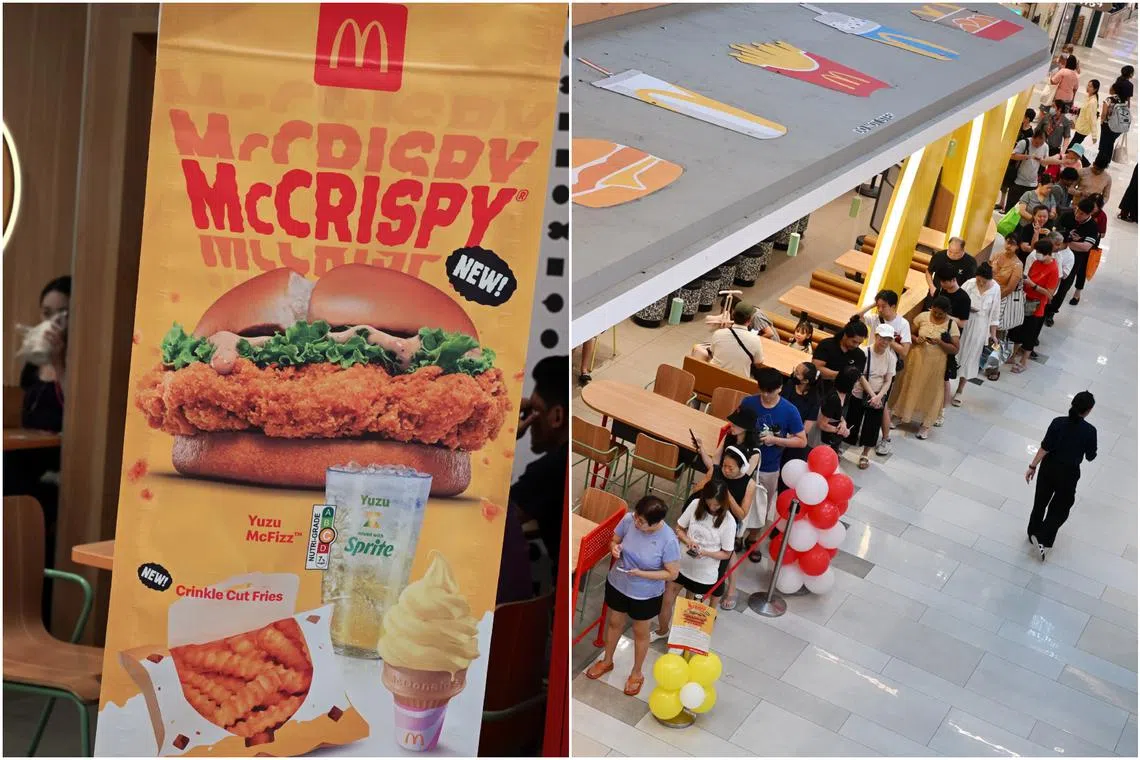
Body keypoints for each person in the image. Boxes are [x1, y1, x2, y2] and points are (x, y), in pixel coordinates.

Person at [587, 496, 680, 696]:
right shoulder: (629, 520)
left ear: (656, 523)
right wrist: (614, 548)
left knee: (640, 631)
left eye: (642, 522)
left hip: (646, 593)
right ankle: (607, 660)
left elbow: (672, 573)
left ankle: (636, 673)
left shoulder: (668, 540)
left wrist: (642, 574)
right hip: (619, 583)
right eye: (637, 517)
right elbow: (614, 539)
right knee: (614, 622)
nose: (636, 523)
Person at [654, 480, 736, 641]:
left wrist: (706, 552)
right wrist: (688, 541)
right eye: (709, 503)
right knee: (667, 599)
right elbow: (679, 528)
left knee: (693, 611)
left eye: (716, 505)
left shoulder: (729, 522)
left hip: (704, 574)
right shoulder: (695, 505)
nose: (712, 508)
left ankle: (684, 641)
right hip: (681, 563)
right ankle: (662, 630)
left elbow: (727, 553)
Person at [693, 414, 759, 610]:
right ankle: (702, 581)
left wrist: (725, 488)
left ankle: (731, 588)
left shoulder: (752, 457)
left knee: (727, 552)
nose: (732, 426)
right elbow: (714, 465)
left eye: (737, 424)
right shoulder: (727, 444)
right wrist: (702, 449)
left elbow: (740, 481)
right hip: (713, 505)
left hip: (731, 509)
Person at [740, 367, 806, 560]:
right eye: (763, 390)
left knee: (762, 506)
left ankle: (753, 538)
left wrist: (776, 440)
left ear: (780, 388)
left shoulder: (789, 410)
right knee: (739, 500)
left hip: (769, 467)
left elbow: (801, 440)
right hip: (745, 463)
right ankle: (736, 534)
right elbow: (737, 427)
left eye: (770, 391)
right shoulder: (749, 403)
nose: (766, 395)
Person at [510, 355, 568, 574]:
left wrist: (501, 436)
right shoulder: (563, 461)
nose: (528, 421)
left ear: (557, 416)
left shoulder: (549, 469)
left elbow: (492, 521)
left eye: (533, 411)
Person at [1025, 391, 1097, 561]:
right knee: (1061, 508)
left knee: (1040, 502)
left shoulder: (1057, 422)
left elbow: (1045, 446)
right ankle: (1043, 538)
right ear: (1089, 410)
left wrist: (1032, 466)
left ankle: (1032, 532)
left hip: (1048, 467)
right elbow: (1090, 456)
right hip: (1069, 473)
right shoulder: (1089, 431)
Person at [889, 296, 959, 440]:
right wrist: (916, 339)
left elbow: (955, 349)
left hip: (936, 365)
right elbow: (910, 334)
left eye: (941, 313)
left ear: (946, 312)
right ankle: (898, 415)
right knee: (908, 385)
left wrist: (940, 342)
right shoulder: (922, 317)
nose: (937, 315)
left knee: (931, 392)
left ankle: (926, 425)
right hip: (916, 359)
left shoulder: (952, 325)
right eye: (935, 312)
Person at [857, 289, 911, 456]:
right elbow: (856, 317)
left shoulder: (902, 324)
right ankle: (861, 435)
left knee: (880, 404)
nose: (880, 310)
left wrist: (888, 339)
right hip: (869, 363)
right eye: (878, 306)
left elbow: (905, 351)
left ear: (893, 306)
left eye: (883, 306)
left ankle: (885, 439)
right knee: (866, 401)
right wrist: (874, 304)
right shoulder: (874, 318)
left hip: (887, 368)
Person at [20, 276, 70, 433]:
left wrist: (58, 363)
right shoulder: (35, 361)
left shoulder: (82, 360)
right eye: (47, 313)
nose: (53, 322)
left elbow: (79, 410)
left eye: (63, 314)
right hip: (27, 449)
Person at [846, 324, 897, 469]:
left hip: (879, 395)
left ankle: (865, 454)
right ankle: (842, 446)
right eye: (882, 338)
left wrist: (879, 396)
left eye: (888, 339)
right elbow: (860, 376)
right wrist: (872, 395)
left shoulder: (891, 357)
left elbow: (888, 380)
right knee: (852, 420)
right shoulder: (864, 352)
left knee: (872, 425)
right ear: (876, 337)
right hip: (861, 392)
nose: (885, 342)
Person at [1007, 241, 1060, 374]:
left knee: (1030, 335)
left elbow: (1050, 294)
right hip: (1024, 300)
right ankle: (1012, 356)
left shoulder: (1053, 269)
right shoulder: (1036, 263)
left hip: (1037, 306)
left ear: (1048, 254)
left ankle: (1024, 362)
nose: (1037, 255)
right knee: (1017, 329)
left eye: (1040, 253)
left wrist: (1033, 285)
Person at [954, 263, 1001, 405]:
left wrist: (993, 334)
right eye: (979, 280)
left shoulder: (995, 289)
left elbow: (995, 313)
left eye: (983, 281)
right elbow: (957, 299)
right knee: (956, 352)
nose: (980, 283)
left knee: (971, 357)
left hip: (980, 326)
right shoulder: (969, 284)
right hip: (965, 321)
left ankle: (960, 390)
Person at [692, 301, 763, 377]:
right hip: (738, 382)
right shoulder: (755, 340)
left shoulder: (718, 333)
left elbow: (713, 352)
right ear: (749, 320)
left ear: (733, 315)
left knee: (699, 349)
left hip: (713, 376)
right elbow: (758, 362)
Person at [1054, 197, 1101, 310]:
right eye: (1077, 211)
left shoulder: (1092, 227)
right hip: (1056, 254)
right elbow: (1055, 232)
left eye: (1082, 214)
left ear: (1089, 214)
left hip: (1075, 259)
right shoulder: (1067, 216)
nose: (1077, 215)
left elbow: (1086, 247)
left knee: (1064, 286)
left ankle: (1052, 311)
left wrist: (1066, 242)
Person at [1005, 129, 1057, 213]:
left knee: (1027, 210)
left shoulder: (1045, 146)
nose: (1038, 146)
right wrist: (1028, 156)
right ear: (1033, 137)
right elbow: (1012, 156)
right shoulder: (1024, 143)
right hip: (1017, 181)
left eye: (1041, 143)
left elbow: (1045, 164)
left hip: (1033, 183)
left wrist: (1041, 160)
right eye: (1036, 143)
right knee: (1011, 209)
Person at [812, 316, 868, 390]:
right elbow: (816, 368)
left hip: (841, 394)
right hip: (818, 389)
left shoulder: (860, 355)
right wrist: (841, 375)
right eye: (854, 341)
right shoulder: (826, 344)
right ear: (845, 335)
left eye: (859, 343)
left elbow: (855, 377)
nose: (856, 345)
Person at [781, 362, 822, 452]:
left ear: (805, 381)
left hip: (795, 434)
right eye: (795, 370)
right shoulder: (790, 384)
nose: (794, 374)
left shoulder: (814, 399)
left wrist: (788, 437)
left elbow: (806, 429)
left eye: (797, 373)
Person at [818, 366, 859, 453]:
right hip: (822, 438)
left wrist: (843, 422)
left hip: (830, 435)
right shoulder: (834, 398)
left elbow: (838, 414)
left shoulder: (846, 395)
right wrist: (840, 430)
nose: (857, 384)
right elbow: (822, 424)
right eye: (856, 381)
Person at [1096, 78, 1133, 166]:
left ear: (1114, 89)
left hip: (1108, 126)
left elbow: (1104, 113)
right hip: (1119, 127)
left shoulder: (1109, 99)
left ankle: (1099, 163)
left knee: (1103, 145)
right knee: (1110, 143)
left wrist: (1101, 121)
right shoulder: (1124, 100)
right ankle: (1106, 162)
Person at [1070, 79, 1100, 145]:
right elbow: (1082, 112)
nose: (1088, 87)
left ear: (1095, 89)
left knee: (1071, 148)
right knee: (1073, 147)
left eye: (1090, 86)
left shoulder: (1092, 102)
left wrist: (1094, 135)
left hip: (1083, 129)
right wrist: (1075, 122)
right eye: (1088, 85)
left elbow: (1092, 118)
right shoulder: (1087, 96)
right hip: (1080, 126)